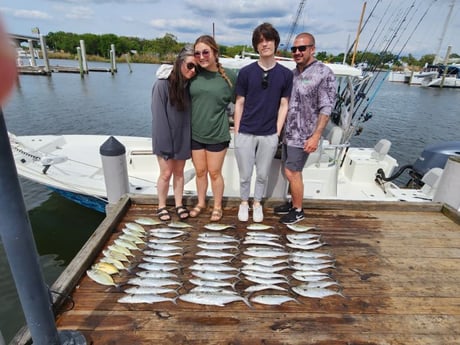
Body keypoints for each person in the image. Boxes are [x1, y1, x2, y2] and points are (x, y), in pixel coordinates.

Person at [233, 23, 293, 223]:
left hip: (269, 134)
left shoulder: (286, 74)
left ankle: (257, 203)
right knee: (245, 174)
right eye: (260, 41)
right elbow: (239, 103)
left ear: (275, 43)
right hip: (246, 132)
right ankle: (243, 202)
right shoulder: (246, 72)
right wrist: (238, 131)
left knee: (263, 174)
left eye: (268, 40)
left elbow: (284, 104)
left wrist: (276, 131)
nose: (264, 44)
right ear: (255, 46)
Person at [276, 32, 337, 224]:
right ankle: (292, 202)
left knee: (293, 172)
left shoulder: (323, 73)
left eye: (302, 48)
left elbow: (326, 107)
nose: (297, 52)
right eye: (294, 49)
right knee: (288, 169)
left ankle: (298, 210)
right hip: (288, 134)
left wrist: (316, 136)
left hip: (304, 135)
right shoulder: (294, 74)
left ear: (312, 49)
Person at [188, 35, 237, 222]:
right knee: (200, 172)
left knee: (214, 173)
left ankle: (217, 206)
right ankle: (201, 202)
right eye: (197, 53)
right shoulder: (193, 73)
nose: (201, 57)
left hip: (217, 134)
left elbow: (240, 102)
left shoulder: (229, 76)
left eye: (206, 52)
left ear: (215, 53)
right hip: (195, 133)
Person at [151, 45, 197, 221]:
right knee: (165, 173)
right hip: (164, 137)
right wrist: (165, 145)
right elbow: (158, 117)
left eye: (196, 68)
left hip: (182, 137)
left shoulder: (187, 86)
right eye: (190, 66)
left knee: (179, 173)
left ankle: (178, 204)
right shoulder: (162, 84)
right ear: (180, 63)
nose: (193, 71)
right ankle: (161, 206)